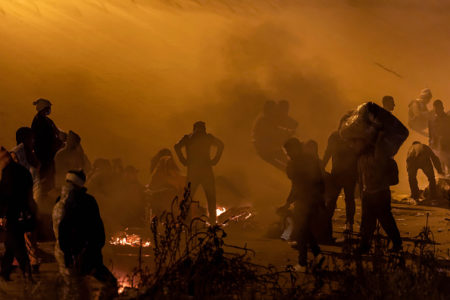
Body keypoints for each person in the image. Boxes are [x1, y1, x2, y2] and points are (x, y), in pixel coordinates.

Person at [53, 170, 117, 299]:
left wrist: (66, 253)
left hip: (63, 254)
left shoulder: (59, 201)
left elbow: (59, 230)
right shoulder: (86, 201)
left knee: (71, 290)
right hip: (83, 254)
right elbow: (96, 229)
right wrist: (95, 248)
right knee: (108, 284)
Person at [352, 133, 402, 254]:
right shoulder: (362, 157)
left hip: (380, 193)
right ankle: (365, 246)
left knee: (385, 220)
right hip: (369, 193)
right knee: (368, 221)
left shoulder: (377, 155)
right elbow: (361, 177)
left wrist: (379, 136)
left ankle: (397, 243)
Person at [281, 138, 324, 271]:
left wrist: (288, 202)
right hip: (313, 199)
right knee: (305, 229)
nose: (288, 154)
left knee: (301, 230)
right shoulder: (310, 159)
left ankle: (302, 263)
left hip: (304, 200)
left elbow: (296, 186)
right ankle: (317, 254)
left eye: (288, 151)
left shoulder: (295, 164)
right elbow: (320, 181)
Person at [174, 121, 224, 224]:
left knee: (189, 197)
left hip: (195, 171)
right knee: (210, 197)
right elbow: (221, 145)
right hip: (204, 171)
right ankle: (212, 222)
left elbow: (177, 146)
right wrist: (215, 160)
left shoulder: (188, 138)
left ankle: (185, 221)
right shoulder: (206, 137)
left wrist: (183, 160)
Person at [0, 147, 35, 281]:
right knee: (10, 244)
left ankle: (27, 273)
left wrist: (3, 215)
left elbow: (6, 196)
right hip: (24, 213)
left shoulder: (8, 173)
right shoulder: (23, 171)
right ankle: (5, 271)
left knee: (17, 245)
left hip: (13, 215)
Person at [10, 127, 42, 273]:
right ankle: (26, 262)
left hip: (29, 198)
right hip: (20, 198)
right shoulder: (16, 153)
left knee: (28, 232)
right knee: (24, 232)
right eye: (31, 138)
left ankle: (30, 261)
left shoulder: (30, 153)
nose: (33, 141)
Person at [323, 118, 358, 233]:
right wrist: (321, 167)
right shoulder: (335, 136)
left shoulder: (354, 138)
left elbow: (360, 157)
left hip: (351, 174)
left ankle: (349, 223)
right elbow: (328, 152)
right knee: (332, 199)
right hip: (336, 173)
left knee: (349, 199)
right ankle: (325, 223)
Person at [31, 98, 63, 196]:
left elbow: (56, 130)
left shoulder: (47, 120)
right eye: (48, 108)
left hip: (49, 154)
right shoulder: (38, 121)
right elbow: (43, 139)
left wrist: (62, 137)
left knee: (50, 174)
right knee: (44, 176)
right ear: (43, 108)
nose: (49, 110)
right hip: (43, 154)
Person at [428, 100, 450, 173]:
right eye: (435, 109)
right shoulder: (431, 121)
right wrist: (430, 144)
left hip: (447, 145)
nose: (437, 111)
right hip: (437, 146)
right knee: (440, 165)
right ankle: (443, 179)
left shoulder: (448, 118)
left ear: (442, 108)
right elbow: (430, 134)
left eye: (439, 109)